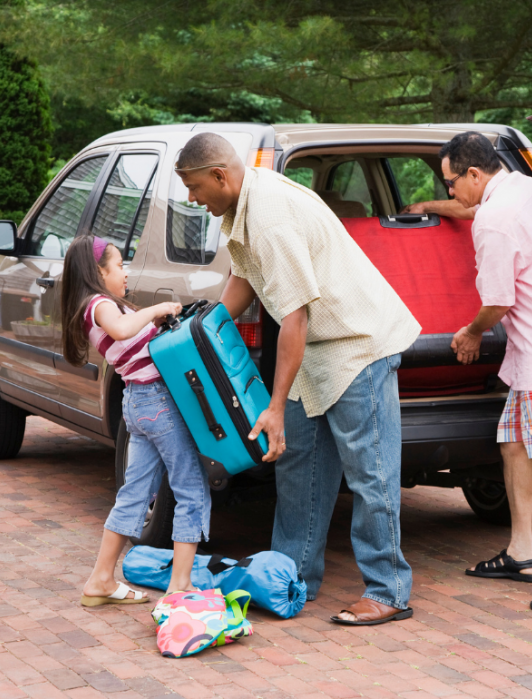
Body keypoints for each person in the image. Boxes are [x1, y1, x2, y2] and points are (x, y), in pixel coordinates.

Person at [174, 133, 421, 625]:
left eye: (195, 187)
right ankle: (290, 579)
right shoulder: (241, 206)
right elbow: (243, 280)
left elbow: (295, 317)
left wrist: (275, 406)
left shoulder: (270, 219)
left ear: (221, 175)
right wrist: (201, 336)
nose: (192, 199)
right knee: (298, 471)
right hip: (315, 356)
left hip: (356, 347)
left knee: (370, 474)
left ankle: (388, 590)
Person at [406, 132, 532, 612]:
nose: (451, 191)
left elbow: (499, 301)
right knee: (514, 440)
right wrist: (428, 204)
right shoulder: (522, 187)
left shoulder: (495, 220)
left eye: (451, 182)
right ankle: (521, 553)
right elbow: (471, 207)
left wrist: (471, 334)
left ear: (475, 174)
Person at [60, 235, 208, 605]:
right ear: (98, 272)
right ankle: (180, 586)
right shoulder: (97, 305)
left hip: (138, 405)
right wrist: (156, 309)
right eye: (120, 264)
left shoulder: (93, 307)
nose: (125, 272)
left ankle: (101, 580)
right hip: (156, 401)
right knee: (191, 486)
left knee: (135, 494)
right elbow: (124, 330)